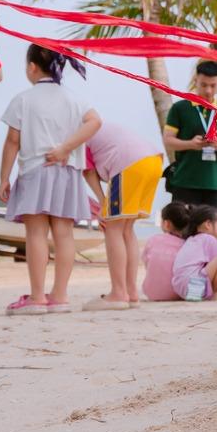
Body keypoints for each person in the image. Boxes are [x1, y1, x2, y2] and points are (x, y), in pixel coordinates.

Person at [0, 45, 99, 316]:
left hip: (36, 170)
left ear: (32, 67)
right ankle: (60, 296)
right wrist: (66, 148)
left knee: (36, 234)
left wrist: (4, 177)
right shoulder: (74, 98)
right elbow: (95, 122)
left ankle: (37, 297)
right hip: (68, 172)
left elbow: (13, 141)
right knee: (64, 234)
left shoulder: (23, 99)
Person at [82, 117, 162, 310]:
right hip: (153, 161)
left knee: (113, 228)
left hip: (129, 163)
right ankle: (131, 293)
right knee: (126, 229)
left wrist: (102, 204)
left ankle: (118, 293)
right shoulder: (99, 126)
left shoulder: (80, 133)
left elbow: (88, 172)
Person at [162, 61, 217, 210]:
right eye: (203, 85)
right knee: (183, 223)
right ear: (196, 81)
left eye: (213, 86)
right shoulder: (180, 108)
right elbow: (168, 140)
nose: (208, 90)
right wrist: (191, 144)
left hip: (213, 184)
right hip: (184, 181)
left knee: (209, 224)